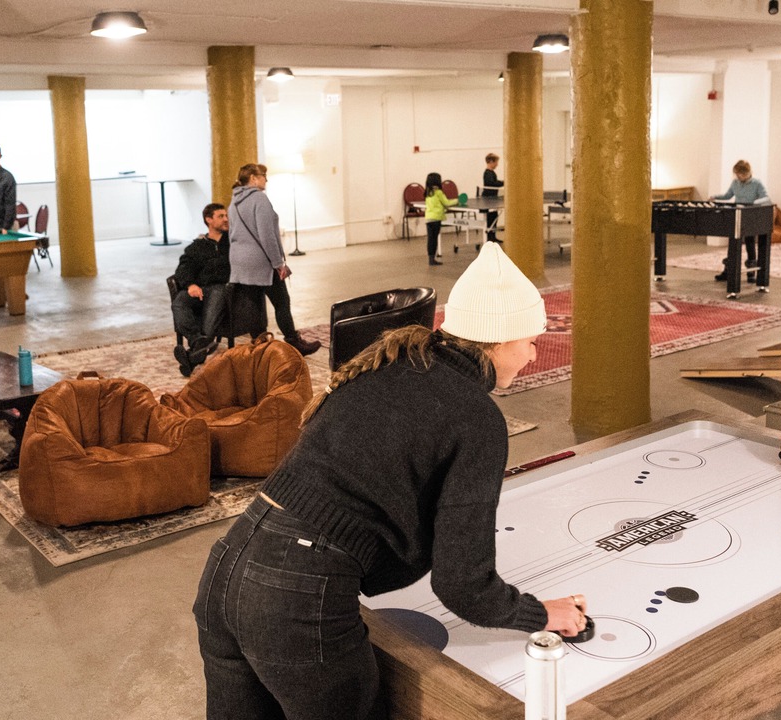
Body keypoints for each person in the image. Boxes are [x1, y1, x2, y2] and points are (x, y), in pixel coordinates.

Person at [193, 243, 590, 720]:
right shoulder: (477, 417)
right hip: (295, 600)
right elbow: (464, 585)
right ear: (499, 339)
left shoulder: (388, 362)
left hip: (226, 568)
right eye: (529, 340)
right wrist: (543, 615)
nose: (532, 354)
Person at [228, 163, 321, 357]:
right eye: (263, 176)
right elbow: (266, 235)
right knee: (282, 301)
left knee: (254, 304)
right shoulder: (259, 199)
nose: (266, 180)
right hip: (260, 260)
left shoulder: (234, 201)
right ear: (253, 178)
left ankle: (260, 346)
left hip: (239, 260)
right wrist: (278, 263)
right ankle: (294, 342)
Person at [170, 203, 232, 377]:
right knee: (179, 302)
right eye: (221, 216)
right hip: (199, 289)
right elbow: (183, 269)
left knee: (219, 293)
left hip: (221, 288)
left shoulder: (232, 242)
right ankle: (198, 341)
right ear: (208, 220)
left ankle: (191, 356)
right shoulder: (197, 246)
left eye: (226, 215)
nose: (226, 219)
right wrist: (190, 285)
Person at [711, 159, 770, 281]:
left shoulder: (757, 184)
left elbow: (766, 198)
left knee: (750, 243)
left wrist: (754, 203)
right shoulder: (735, 183)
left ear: (748, 172)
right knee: (733, 243)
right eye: (737, 174)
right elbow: (728, 196)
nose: (740, 176)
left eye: (742, 174)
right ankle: (728, 271)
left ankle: (751, 273)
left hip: (750, 215)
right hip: (736, 214)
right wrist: (715, 197)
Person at [423, 171, 458, 266]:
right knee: (434, 239)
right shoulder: (439, 192)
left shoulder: (427, 193)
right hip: (436, 219)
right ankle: (432, 260)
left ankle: (430, 259)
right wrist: (457, 200)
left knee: (430, 239)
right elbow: (447, 203)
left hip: (428, 219)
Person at [481, 152, 505, 243]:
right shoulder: (487, 173)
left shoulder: (491, 172)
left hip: (493, 198)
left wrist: (502, 182)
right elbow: (491, 183)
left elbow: (494, 182)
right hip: (488, 199)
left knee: (494, 217)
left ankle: (493, 236)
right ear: (491, 162)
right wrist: (503, 182)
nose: (497, 164)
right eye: (496, 162)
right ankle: (489, 238)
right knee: (490, 218)